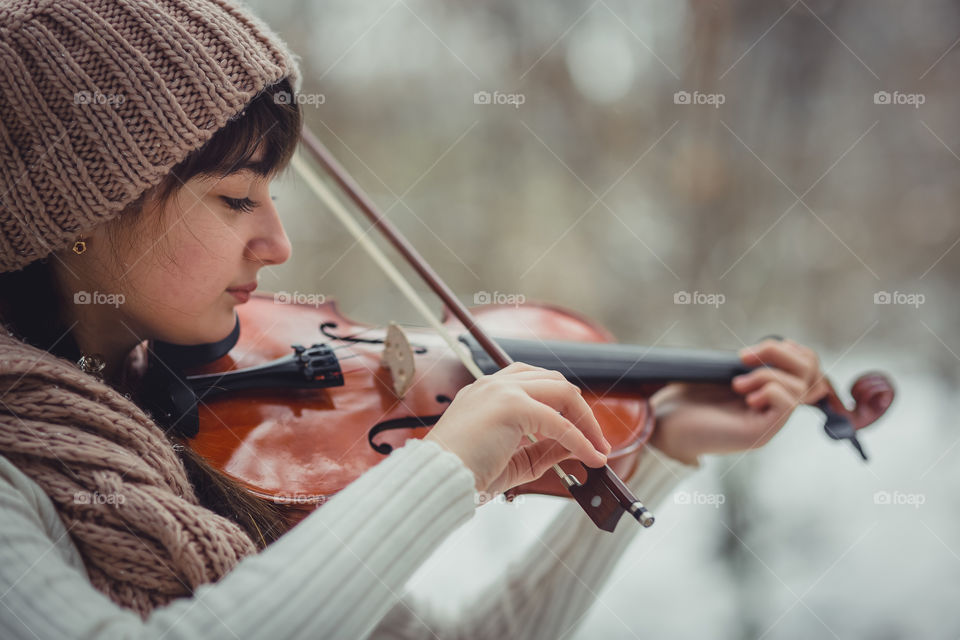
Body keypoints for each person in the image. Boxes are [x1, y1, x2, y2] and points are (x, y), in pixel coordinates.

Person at [0, 1, 824, 638]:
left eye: (275, 197)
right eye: (235, 198)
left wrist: (661, 448)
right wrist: (440, 466)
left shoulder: (190, 429)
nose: (277, 243)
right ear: (83, 209)